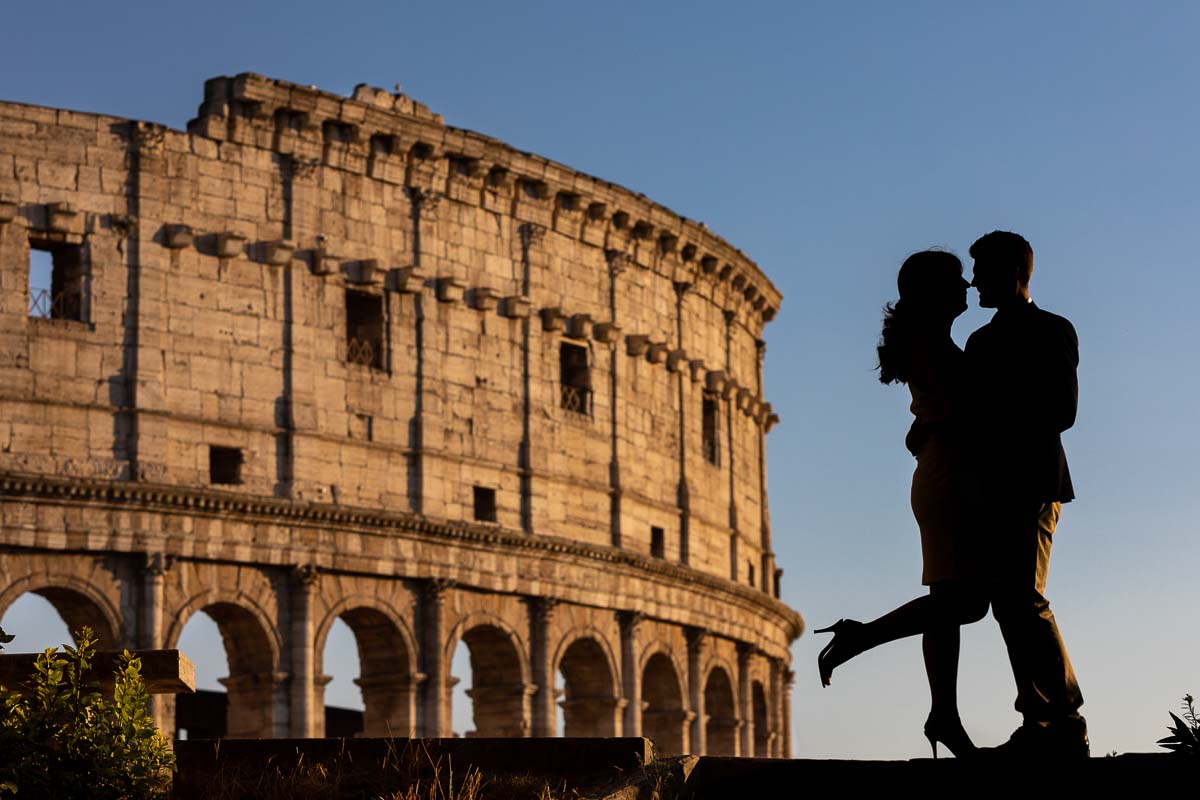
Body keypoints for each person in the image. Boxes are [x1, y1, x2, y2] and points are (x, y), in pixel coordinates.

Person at [816, 250, 989, 759]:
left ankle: (944, 716)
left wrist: (927, 427)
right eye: (956, 279)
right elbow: (965, 412)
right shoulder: (932, 343)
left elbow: (940, 410)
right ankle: (858, 638)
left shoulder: (931, 341)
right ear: (933, 291)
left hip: (943, 473)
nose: (966, 286)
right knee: (965, 603)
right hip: (950, 478)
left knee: (949, 603)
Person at [964, 230, 1088, 758]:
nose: (973, 283)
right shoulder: (980, 342)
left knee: (1025, 598)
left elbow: (1063, 410)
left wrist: (999, 416)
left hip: (1034, 482)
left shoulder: (1053, 330)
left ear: (1015, 271)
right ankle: (1038, 719)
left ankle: (1064, 716)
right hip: (992, 486)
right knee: (1007, 604)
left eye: (983, 272)